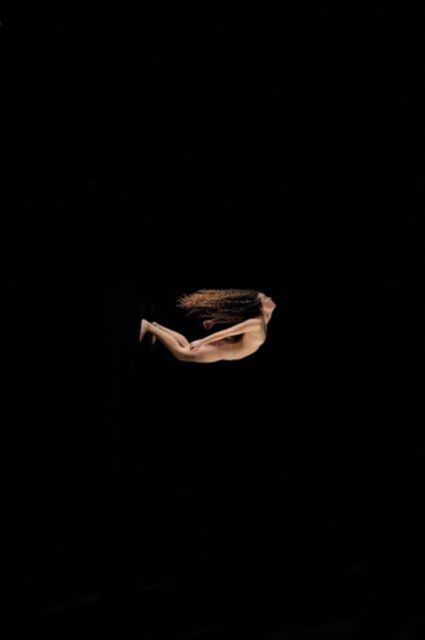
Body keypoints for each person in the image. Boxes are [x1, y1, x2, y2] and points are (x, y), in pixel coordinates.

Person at [139, 289, 276, 364]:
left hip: (225, 348)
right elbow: (226, 332)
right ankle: (148, 326)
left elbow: (264, 313)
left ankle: (156, 326)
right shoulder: (256, 323)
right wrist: (202, 342)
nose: (269, 298)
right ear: (258, 306)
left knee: (187, 346)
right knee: (182, 354)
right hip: (222, 350)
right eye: (265, 298)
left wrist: (215, 321)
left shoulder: (263, 317)